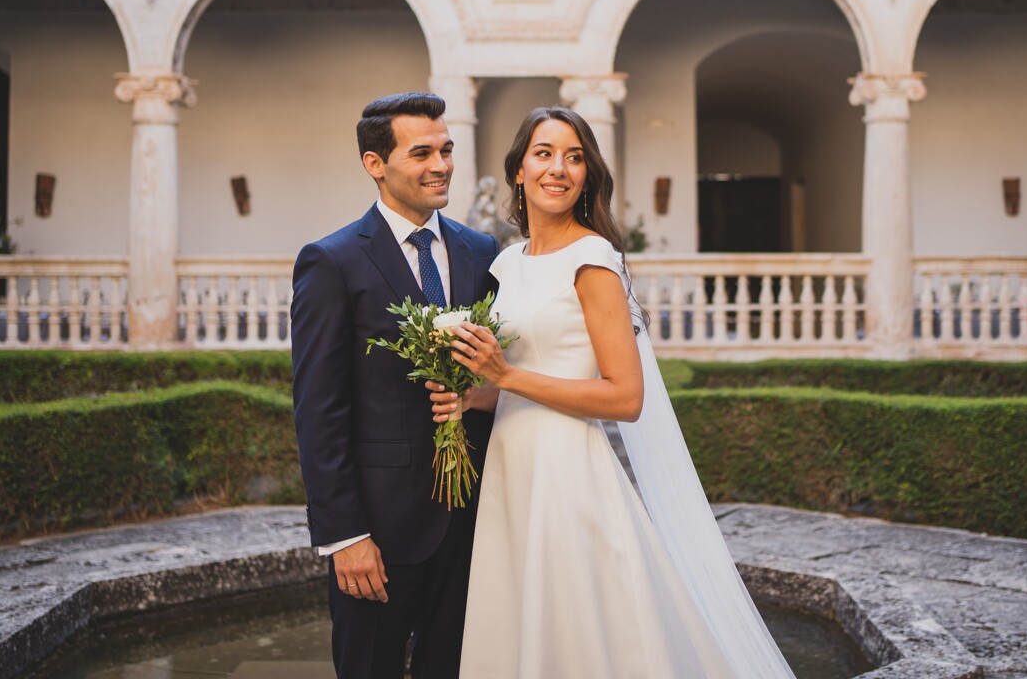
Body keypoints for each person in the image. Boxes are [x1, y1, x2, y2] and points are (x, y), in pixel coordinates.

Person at [428, 106, 797, 679]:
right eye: (545, 153)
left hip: (569, 472)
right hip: (511, 464)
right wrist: (475, 396)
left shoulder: (593, 259)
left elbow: (626, 397)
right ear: (519, 170)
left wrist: (505, 377)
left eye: (575, 157)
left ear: (588, 175)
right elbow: (523, 375)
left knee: (585, 633)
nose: (560, 168)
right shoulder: (508, 263)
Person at [290, 92, 500, 679]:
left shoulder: (481, 251)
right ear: (374, 163)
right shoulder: (330, 262)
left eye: (447, 150)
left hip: (471, 523)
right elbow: (318, 411)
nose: (442, 165)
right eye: (422, 152)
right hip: (377, 532)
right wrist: (344, 536)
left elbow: (494, 375)